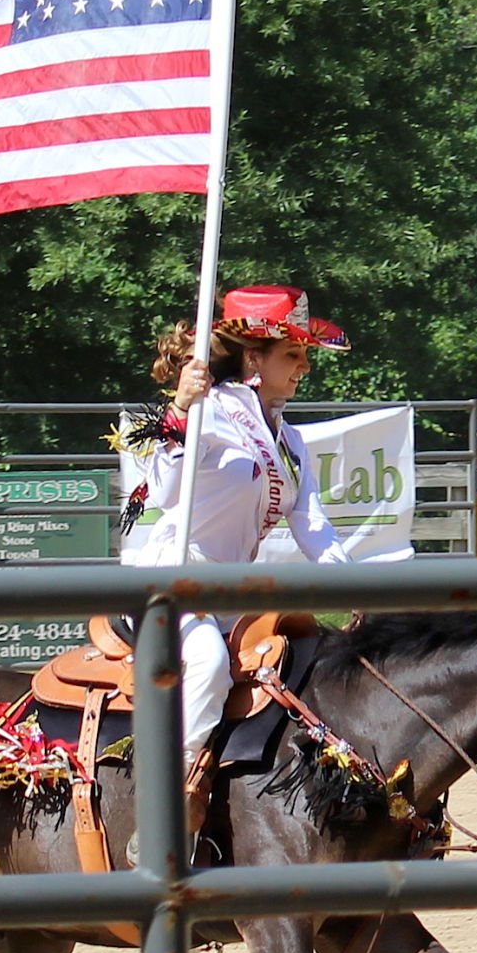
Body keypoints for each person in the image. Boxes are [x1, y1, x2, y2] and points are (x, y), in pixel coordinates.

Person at [121, 283, 352, 782]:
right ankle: (167, 791)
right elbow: (162, 490)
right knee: (205, 661)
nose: (304, 367)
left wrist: (355, 587)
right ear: (254, 358)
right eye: (293, 353)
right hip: (172, 585)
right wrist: (181, 409)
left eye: (305, 355)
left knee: (308, 656)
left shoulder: (289, 440)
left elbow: (313, 524)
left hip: (231, 593)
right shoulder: (209, 411)